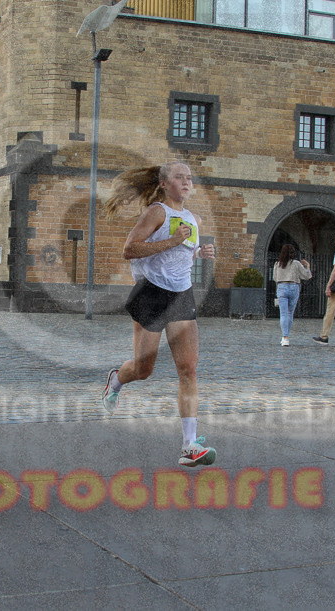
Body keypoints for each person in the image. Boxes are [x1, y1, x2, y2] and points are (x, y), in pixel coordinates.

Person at [100, 162, 218, 467]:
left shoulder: (192, 218)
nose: (187, 182)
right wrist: (175, 240)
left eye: (189, 178)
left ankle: (189, 446)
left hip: (181, 295)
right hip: (151, 294)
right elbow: (130, 249)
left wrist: (197, 252)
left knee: (188, 370)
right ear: (165, 184)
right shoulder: (157, 212)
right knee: (143, 369)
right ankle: (116, 380)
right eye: (180, 177)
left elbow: (178, 256)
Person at [272, 244, 311, 346]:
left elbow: (275, 278)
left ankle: (285, 337)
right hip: (294, 286)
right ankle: (286, 335)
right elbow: (306, 276)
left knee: (283, 314)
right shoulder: (296, 264)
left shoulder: (277, 264)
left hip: (282, 286)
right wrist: (308, 266)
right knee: (290, 313)